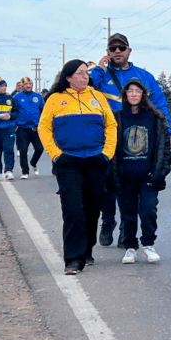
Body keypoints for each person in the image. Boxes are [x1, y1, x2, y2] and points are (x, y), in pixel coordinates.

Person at [90, 33, 171, 248]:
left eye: (121, 48)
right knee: (109, 183)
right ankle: (107, 221)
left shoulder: (143, 76)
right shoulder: (102, 75)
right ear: (107, 53)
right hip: (108, 136)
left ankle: (127, 233)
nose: (117, 51)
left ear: (129, 51)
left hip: (138, 138)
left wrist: (167, 133)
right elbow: (88, 89)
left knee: (133, 188)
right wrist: (100, 69)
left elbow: (160, 104)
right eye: (112, 48)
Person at [38, 60, 116, 274]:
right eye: (80, 73)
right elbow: (44, 128)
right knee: (73, 210)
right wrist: (56, 155)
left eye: (86, 73)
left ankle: (86, 250)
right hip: (68, 162)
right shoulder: (55, 99)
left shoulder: (97, 97)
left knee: (91, 210)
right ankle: (73, 259)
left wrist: (106, 154)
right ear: (68, 77)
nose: (85, 77)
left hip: (96, 161)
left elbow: (111, 125)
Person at [114, 79, 171, 264]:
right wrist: (114, 172)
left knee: (148, 210)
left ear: (143, 95)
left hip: (148, 174)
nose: (133, 94)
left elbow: (163, 147)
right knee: (127, 213)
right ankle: (130, 247)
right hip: (125, 175)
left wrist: (161, 171)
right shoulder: (117, 117)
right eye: (130, 91)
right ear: (125, 94)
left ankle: (148, 244)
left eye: (137, 91)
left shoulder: (155, 117)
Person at [12, 77, 45, 179]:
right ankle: (25, 172)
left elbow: (42, 110)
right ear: (21, 85)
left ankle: (33, 162)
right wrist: (15, 125)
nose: (28, 86)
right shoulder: (16, 97)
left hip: (35, 128)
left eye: (30, 84)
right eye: (26, 84)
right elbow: (13, 111)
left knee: (39, 149)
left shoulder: (38, 97)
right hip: (22, 128)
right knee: (23, 150)